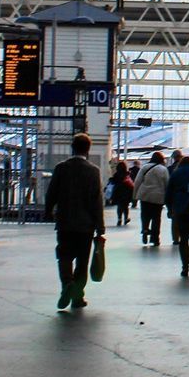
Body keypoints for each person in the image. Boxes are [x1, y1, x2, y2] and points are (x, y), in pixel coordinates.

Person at [44, 133, 105, 310]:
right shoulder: (94, 171)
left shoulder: (61, 168)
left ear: (72, 147)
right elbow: (97, 201)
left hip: (64, 222)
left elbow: (51, 193)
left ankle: (67, 284)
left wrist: (48, 211)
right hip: (85, 226)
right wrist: (100, 226)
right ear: (88, 149)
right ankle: (77, 297)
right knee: (82, 262)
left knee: (64, 257)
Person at [133, 151, 169, 246]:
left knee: (145, 215)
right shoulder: (163, 169)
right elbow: (167, 184)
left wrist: (134, 196)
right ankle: (155, 238)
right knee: (156, 218)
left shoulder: (145, 167)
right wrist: (167, 197)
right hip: (158, 197)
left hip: (145, 195)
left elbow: (137, 181)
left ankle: (145, 229)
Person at [107, 161, 134, 227]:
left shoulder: (116, 174)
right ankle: (126, 218)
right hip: (126, 192)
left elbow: (113, 181)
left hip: (118, 192)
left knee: (119, 206)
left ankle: (119, 219)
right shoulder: (127, 174)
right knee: (126, 206)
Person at [167, 149, 184, 248]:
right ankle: (184, 236)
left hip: (175, 199)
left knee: (175, 220)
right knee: (186, 219)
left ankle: (175, 239)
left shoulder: (170, 170)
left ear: (173, 158)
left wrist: (167, 203)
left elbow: (169, 188)